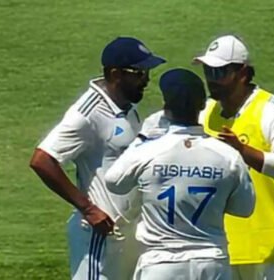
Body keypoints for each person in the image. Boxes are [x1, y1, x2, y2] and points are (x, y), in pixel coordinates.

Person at [29, 36, 165, 280]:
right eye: (139, 72)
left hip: (127, 235)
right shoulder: (87, 113)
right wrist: (88, 208)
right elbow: (42, 160)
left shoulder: (127, 107)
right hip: (99, 236)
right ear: (115, 74)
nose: (146, 80)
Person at [105, 68, 255, 280]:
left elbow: (114, 182)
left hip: (161, 264)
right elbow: (244, 208)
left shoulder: (149, 150)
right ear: (202, 105)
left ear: (165, 108)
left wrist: (141, 138)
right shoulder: (227, 156)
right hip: (212, 263)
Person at [194, 35, 274, 280]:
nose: (212, 80)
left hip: (266, 248)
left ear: (242, 73)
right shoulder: (206, 112)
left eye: (219, 73)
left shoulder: (273, 110)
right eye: (208, 71)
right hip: (218, 248)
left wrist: (243, 152)